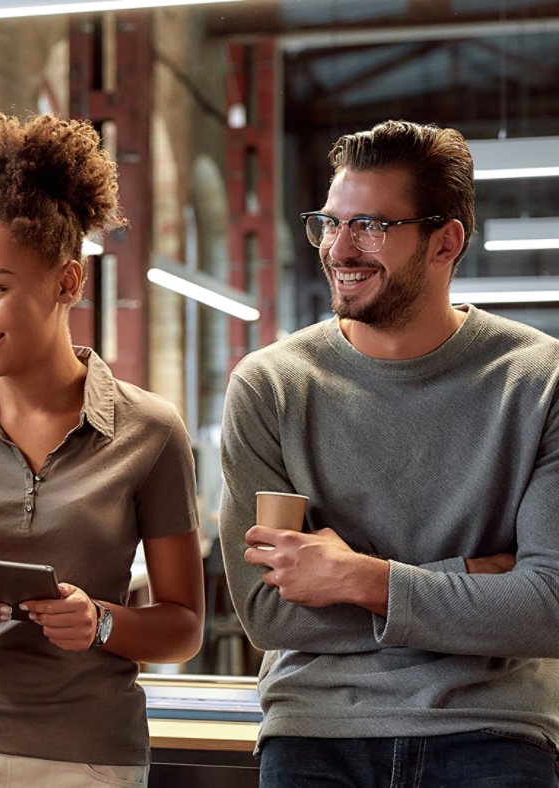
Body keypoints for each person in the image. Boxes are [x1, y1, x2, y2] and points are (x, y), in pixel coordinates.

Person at [219, 119, 559, 786]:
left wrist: (359, 578)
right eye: (329, 222)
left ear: (446, 240)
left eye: (371, 226)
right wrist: (474, 580)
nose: (339, 249)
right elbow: (268, 614)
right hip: (317, 726)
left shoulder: (539, 383)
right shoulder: (271, 387)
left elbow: (547, 608)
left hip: (491, 726)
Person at [0, 114, 206, 788]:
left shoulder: (151, 431)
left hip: (87, 754)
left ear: (67, 282)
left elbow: (183, 628)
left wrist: (102, 623)